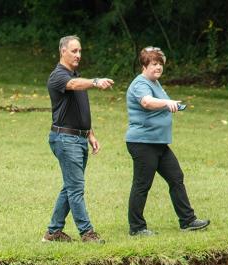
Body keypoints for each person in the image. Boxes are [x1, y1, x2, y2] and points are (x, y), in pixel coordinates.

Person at [124, 46, 209, 237]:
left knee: (176, 177)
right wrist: (166, 103)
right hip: (143, 143)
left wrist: (176, 105)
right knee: (142, 184)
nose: (158, 68)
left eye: (160, 64)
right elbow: (147, 102)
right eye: (154, 64)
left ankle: (187, 221)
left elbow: (162, 102)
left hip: (158, 143)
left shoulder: (155, 83)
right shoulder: (140, 84)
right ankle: (136, 228)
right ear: (144, 65)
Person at [43, 35, 114, 243]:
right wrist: (94, 81)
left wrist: (90, 134)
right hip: (65, 139)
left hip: (79, 139)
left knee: (70, 186)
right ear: (62, 51)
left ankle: (53, 232)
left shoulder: (75, 76)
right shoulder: (59, 76)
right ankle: (87, 233)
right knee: (76, 189)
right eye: (74, 51)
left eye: (80, 51)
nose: (78, 55)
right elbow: (73, 84)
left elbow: (79, 109)